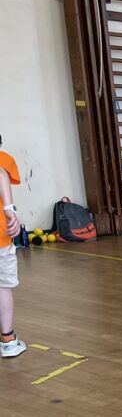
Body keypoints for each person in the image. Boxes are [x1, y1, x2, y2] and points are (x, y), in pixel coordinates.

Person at [0, 138, 26, 359]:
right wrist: (10, 209)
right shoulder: (4, 161)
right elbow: (1, 173)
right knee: (2, 287)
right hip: (1, 238)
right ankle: (8, 340)